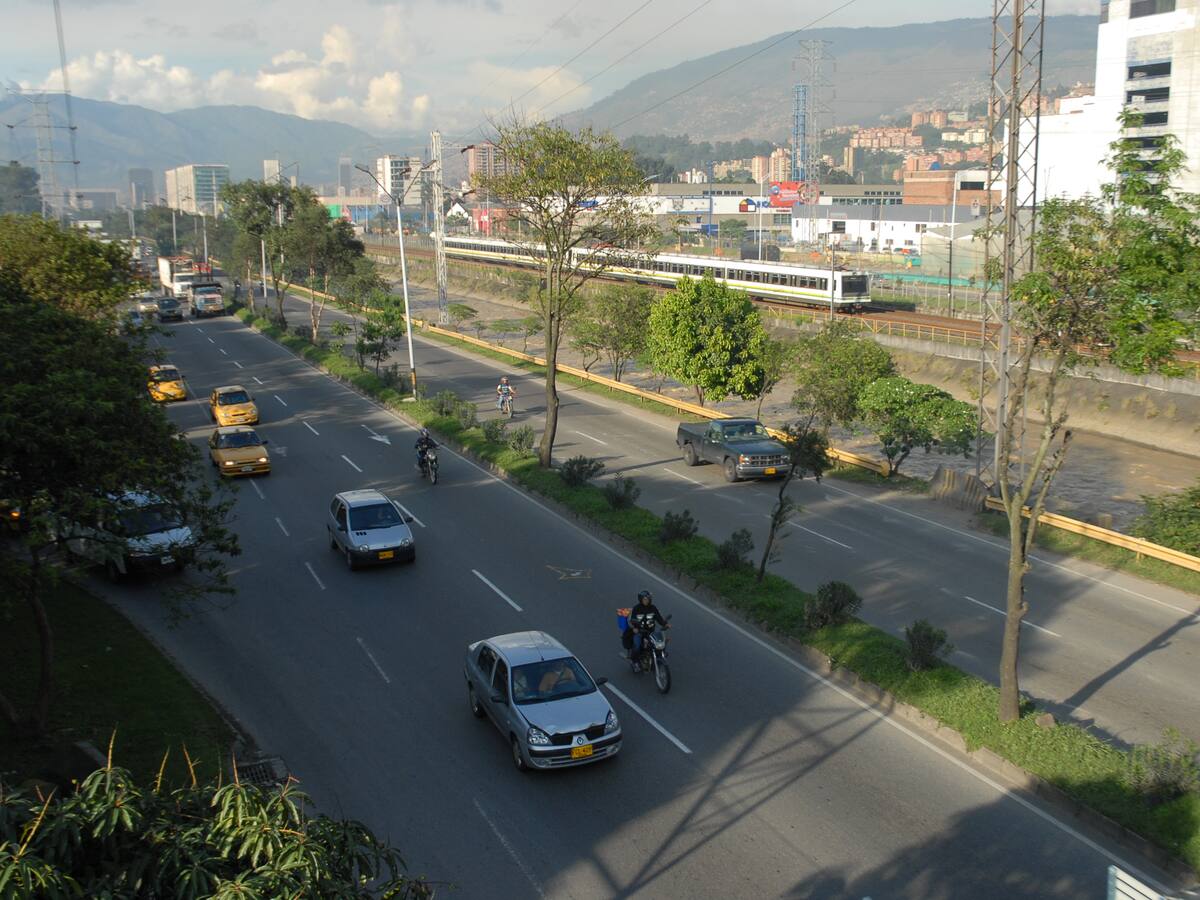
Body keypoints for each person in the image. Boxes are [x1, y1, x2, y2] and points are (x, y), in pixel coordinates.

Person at [628, 590, 669, 670]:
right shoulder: (636, 609)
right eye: (645, 599)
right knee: (637, 647)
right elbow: (632, 619)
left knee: (661, 643)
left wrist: (665, 624)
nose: (647, 601)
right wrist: (635, 628)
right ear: (641, 599)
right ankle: (634, 662)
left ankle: (660, 656)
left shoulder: (653, 608)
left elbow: (658, 617)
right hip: (640, 632)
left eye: (648, 599)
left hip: (651, 632)